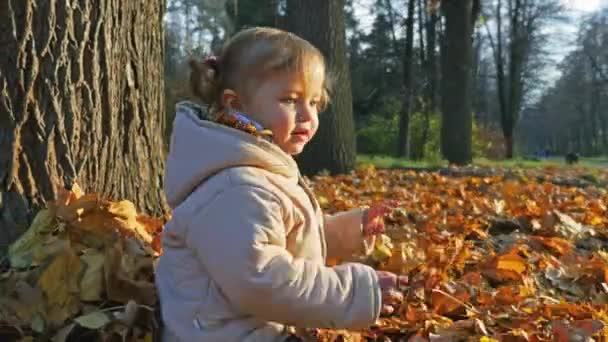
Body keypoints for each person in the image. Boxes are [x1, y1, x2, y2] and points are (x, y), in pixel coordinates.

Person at [155, 27, 407, 342]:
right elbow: (261, 279)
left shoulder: (257, 174)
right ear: (235, 105)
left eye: (314, 102)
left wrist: (348, 230)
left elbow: (284, 238)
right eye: (290, 100)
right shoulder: (235, 188)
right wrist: (354, 292)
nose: (307, 115)